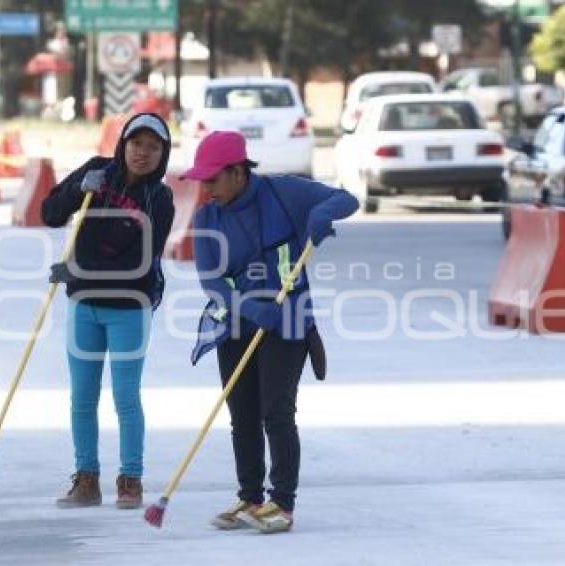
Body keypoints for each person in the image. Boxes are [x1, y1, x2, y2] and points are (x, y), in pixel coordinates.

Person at [183, 130, 358, 533]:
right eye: (202, 180)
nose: (205, 188)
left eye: (212, 179)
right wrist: (247, 307)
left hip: (289, 320)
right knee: (240, 412)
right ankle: (250, 497)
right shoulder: (207, 216)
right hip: (235, 323)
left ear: (238, 172)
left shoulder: (283, 192)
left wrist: (319, 214)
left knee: (275, 412)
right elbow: (211, 281)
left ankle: (282, 503)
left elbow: (347, 199)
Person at [40, 113, 175, 510]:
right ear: (124, 144)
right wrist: (76, 191)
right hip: (84, 306)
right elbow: (49, 213)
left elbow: (141, 261)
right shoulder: (97, 171)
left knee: (125, 396)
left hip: (129, 308)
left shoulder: (160, 199)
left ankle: (130, 481)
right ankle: (86, 480)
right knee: (82, 397)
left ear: (163, 154)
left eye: (153, 147)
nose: (143, 153)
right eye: (137, 143)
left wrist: (78, 271)